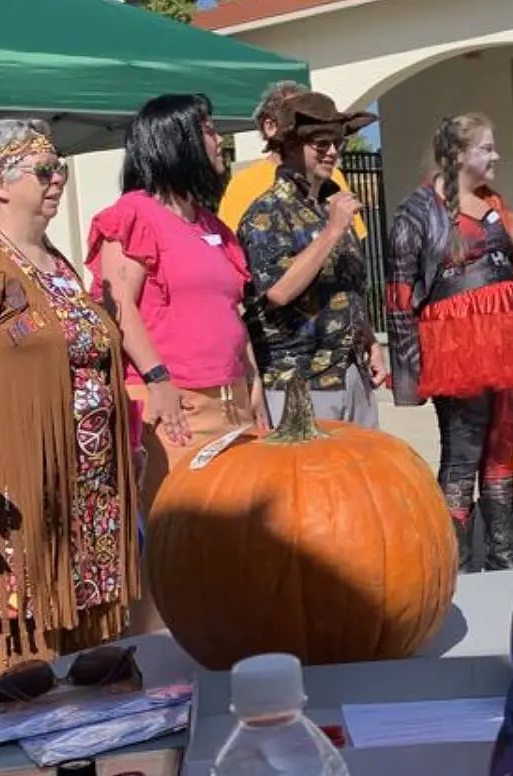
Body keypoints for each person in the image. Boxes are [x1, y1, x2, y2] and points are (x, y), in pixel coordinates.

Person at [0, 119, 143, 680]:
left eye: (60, 169)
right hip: (24, 482)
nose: (57, 180)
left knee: (87, 645)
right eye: (43, 171)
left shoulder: (58, 264)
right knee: (29, 649)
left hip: (86, 488)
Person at [384, 113, 513, 572]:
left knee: (502, 449)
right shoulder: (417, 210)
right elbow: (400, 295)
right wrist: (411, 373)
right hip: (456, 348)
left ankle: (502, 557)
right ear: (457, 155)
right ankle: (458, 563)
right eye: (487, 148)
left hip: (509, 339)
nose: (495, 156)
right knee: (463, 454)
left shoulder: (496, 204)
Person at [88, 94, 262, 504]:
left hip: (232, 402)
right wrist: (159, 382)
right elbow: (119, 307)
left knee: (236, 534)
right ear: (175, 139)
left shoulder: (212, 224)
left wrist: (253, 381)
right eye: (208, 131)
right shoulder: (134, 214)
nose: (219, 140)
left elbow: (230, 311)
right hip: (174, 407)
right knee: (179, 533)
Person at [238, 92, 386, 426]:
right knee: (309, 478)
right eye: (321, 145)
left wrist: (369, 341)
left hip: (350, 372)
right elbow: (277, 291)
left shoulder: (331, 204)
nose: (332, 152)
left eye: (337, 143)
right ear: (290, 147)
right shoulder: (267, 211)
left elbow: (346, 287)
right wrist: (332, 231)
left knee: (363, 475)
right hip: (299, 381)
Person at [216, 80, 367, 240]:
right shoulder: (245, 184)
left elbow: (355, 238)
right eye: (300, 119)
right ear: (270, 126)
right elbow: (233, 247)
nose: (331, 151)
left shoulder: (333, 177)